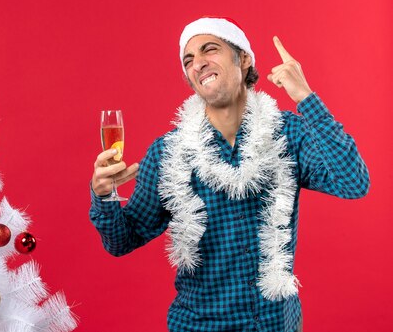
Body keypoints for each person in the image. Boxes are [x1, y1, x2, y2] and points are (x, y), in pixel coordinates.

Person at [89, 17, 369, 332]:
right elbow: (122, 241)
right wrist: (105, 195)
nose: (198, 63)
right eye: (189, 60)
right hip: (199, 325)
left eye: (210, 49)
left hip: (277, 324)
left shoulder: (288, 134)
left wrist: (305, 96)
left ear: (244, 59)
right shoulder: (169, 152)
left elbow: (353, 183)